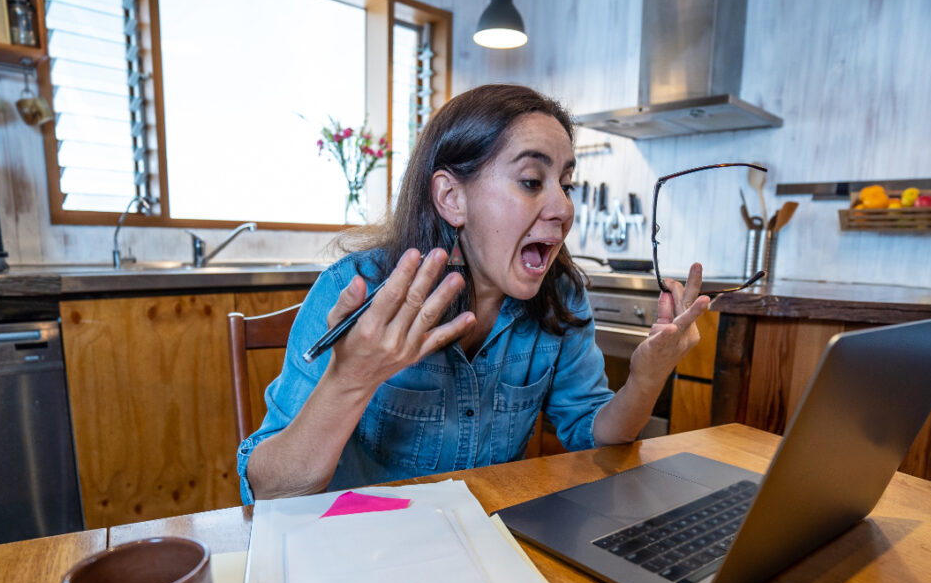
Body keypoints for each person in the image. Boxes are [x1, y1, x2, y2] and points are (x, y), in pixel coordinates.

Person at [239, 84, 710, 503]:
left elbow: (595, 439)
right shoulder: (355, 290)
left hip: (491, 550)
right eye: (532, 181)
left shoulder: (561, 295)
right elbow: (270, 488)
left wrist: (647, 378)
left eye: (567, 184)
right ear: (451, 198)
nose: (564, 208)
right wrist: (350, 379)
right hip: (361, 560)